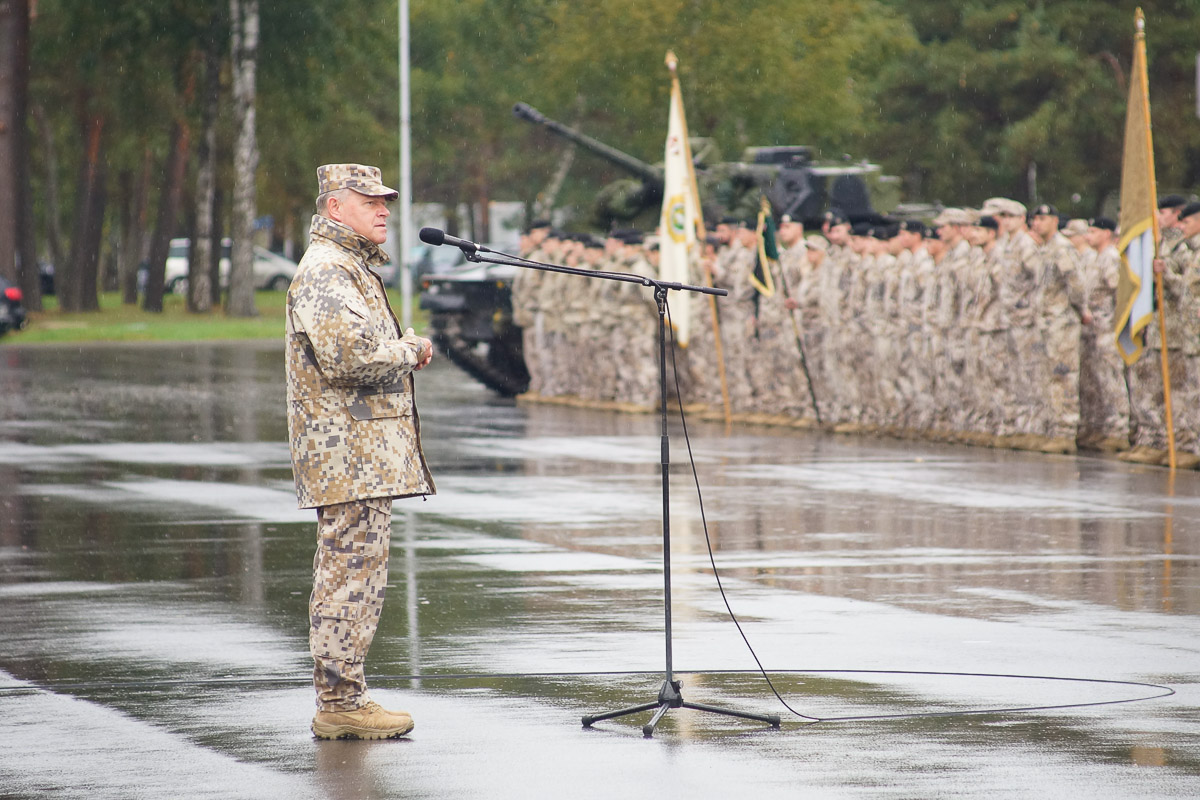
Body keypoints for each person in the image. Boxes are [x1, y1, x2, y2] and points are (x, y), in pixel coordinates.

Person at [285, 163, 435, 740]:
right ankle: (341, 702)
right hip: (347, 454)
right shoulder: (327, 271)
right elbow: (349, 359)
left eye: (385, 200)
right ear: (333, 208)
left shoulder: (349, 267)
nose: (383, 209)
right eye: (367, 199)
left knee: (355, 574)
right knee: (349, 576)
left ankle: (345, 695)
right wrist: (410, 349)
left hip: (360, 453)